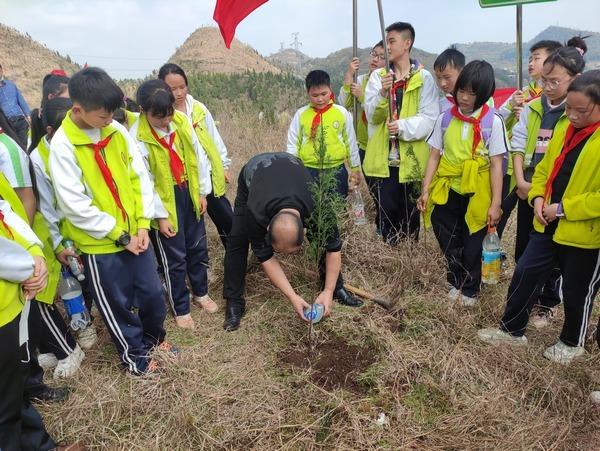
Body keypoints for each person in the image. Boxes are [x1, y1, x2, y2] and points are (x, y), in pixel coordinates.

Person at [49, 67, 170, 375]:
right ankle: (136, 361)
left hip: (134, 233)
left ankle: (155, 340)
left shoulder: (115, 132)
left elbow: (138, 177)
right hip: (102, 245)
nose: (109, 122)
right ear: (78, 109)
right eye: (103, 117)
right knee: (117, 306)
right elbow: (76, 206)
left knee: (153, 294)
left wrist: (142, 224)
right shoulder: (64, 147)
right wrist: (120, 236)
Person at [478, 70, 600, 365]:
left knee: (576, 289)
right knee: (526, 272)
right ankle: (512, 329)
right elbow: (544, 168)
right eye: (568, 108)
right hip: (546, 220)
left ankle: (571, 342)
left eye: (579, 110)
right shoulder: (564, 129)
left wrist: (562, 208)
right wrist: (537, 198)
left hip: (584, 232)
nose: (570, 115)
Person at [222, 152, 361, 332]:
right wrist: (293, 297)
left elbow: (333, 248)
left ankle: (335, 288)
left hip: (291, 165)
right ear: (266, 226)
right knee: (238, 239)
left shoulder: (318, 206)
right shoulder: (255, 212)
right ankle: (234, 301)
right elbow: (266, 258)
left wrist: (327, 291)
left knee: (323, 237)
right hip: (255, 169)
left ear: (305, 227)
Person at [418, 61, 507, 307]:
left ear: (484, 95)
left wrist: (496, 203)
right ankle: (455, 279)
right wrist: (426, 188)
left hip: (478, 189)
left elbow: (497, 164)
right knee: (446, 233)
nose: (465, 98)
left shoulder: (493, 122)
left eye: (472, 93)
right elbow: (435, 154)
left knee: (474, 241)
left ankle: (470, 288)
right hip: (449, 186)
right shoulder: (445, 118)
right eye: (462, 91)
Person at [510, 44, 585, 329]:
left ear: (575, 80)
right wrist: (521, 181)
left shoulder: (574, 115)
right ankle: (526, 299)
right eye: (545, 81)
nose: (549, 87)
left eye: (555, 81)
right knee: (526, 245)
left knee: (554, 250)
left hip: (558, 195)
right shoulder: (533, 107)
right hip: (530, 187)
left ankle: (548, 303)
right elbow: (518, 145)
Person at [130, 79, 214, 329]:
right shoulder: (137, 137)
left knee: (198, 246)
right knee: (174, 257)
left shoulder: (180, 121)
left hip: (188, 190)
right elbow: (145, 181)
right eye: (159, 118)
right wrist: (160, 216)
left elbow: (197, 158)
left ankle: (201, 293)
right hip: (165, 203)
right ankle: (181, 306)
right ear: (144, 111)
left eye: (168, 114)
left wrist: (201, 192)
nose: (166, 121)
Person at [364, 21, 439, 244]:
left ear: (407, 43)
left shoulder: (424, 78)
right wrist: (381, 93)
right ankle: (388, 258)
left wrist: (402, 127)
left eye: (392, 41)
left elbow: (429, 119)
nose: (387, 47)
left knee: (410, 215)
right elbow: (372, 116)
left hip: (412, 161)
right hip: (384, 162)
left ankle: (408, 260)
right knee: (386, 212)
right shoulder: (378, 77)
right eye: (386, 42)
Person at [0, 199, 58, 451]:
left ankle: (39, 445)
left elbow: (5, 211)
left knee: (14, 389)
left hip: (10, 304)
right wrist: (29, 268)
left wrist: (35, 252)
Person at [158, 63, 233, 247]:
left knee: (227, 220)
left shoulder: (198, 108)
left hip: (208, 171)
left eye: (182, 87)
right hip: (186, 179)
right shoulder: (163, 115)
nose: (179, 93)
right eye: (172, 89)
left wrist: (223, 165)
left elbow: (215, 137)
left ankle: (234, 254)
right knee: (193, 225)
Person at [287, 69, 361, 197]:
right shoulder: (301, 114)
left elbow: (350, 142)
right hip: (308, 170)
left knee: (336, 206)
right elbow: (293, 144)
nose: (320, 99)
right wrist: (293, 169)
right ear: (307, 93)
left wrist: (355, 168)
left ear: (330, 89)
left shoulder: (341, 113)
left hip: (336, 169)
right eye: (315, 95)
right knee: (310, 208)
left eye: (324, 94)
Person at [339, 42, 386, 231]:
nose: (375, 59)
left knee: (382, 190)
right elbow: (343, 103)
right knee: (372, 188)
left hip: (380, 145)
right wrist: (349, 74)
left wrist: (362, 96)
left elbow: (379, 110)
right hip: (362, 143)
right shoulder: (361, 79)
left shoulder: (386, 81)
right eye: (374, 54)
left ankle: (383, 225)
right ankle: (378, 222)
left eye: (382, 57)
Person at [499, 40, 562, 129]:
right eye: (530, 60)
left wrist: (526, 118)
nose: (531, 64)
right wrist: (510, 106)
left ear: (553, 60)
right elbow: (498, 123)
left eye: (536, 59)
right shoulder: (520, 93)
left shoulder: (557, 94)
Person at [0, 63, 31, 149]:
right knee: (14, 148)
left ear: (2, 70)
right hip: (7, 124)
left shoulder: (11, 85)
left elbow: (21, 101)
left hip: (20, 121)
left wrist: (28, 115)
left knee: (25, 147)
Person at [433, 47, 466, 113]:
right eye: (438, 77)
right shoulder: (439, 107)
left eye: (447, 77)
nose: (442, 83)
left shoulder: (478, 100)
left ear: (462, 72)